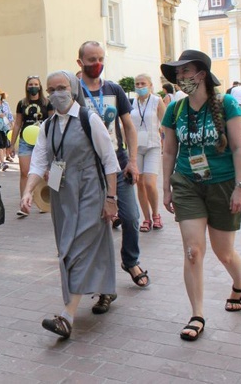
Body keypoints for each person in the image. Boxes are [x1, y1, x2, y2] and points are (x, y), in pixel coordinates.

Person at [21, 70, 120, 339]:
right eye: (51, 90)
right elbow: (39, 161)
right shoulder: (48, 126)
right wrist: (28, 192)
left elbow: (110, 161)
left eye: (62, 87)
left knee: (75, 248)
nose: (56, 94)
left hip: (89, 191)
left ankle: (67, 316)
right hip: (62, 194)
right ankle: (106, 289)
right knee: (79, 246)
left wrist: (111, 199)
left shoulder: (90, 120)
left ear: (73, 89)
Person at [160, 49, 241, 342]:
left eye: (186, 72)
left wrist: (239, 187)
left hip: (223, 184)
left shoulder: (227, 104)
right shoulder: (176, 109)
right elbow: (170, 150)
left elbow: (238, 148)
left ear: (201, 74)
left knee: (224, 253)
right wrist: (166, 187)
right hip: (187, 183)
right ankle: (197, 314)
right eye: (178, 73)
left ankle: (238, 282)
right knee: (193, 251)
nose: (180, 78)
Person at [77, 41, 149, 308]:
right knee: (99, 227)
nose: (96, 63)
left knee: (130, 218)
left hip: (117, 165)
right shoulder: (74, 93)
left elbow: (128, 127)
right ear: (80, 62)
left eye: (100, 58)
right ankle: (104, 287)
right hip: (89, 168)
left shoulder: (114, 89)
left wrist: (132, 161)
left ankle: (131, 261)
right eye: (91, 59)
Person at [10, 75, 53, 217]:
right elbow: (17, 124)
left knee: (43, 172)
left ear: (40, 86)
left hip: (43, 141)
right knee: (24, 172)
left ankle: (42, 202)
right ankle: (24, 204)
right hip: (25, 141)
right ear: (26, 87)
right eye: (30, 84)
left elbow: (53, 123)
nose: (33, 86)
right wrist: (11, 144)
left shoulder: (47, 103)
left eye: (35, 84)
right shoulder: (22, 103)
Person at [131, 74, 166, 232]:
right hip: (136, 147)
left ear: (150, 85)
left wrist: (167, 145)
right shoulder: (132, 102)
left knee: (150, 183)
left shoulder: (156, 101)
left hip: (153, 145)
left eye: (142, 83)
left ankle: (156, 214)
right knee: (139, 183)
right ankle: (146, 218)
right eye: (137, 84)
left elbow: (165, 124)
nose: (140, 86)